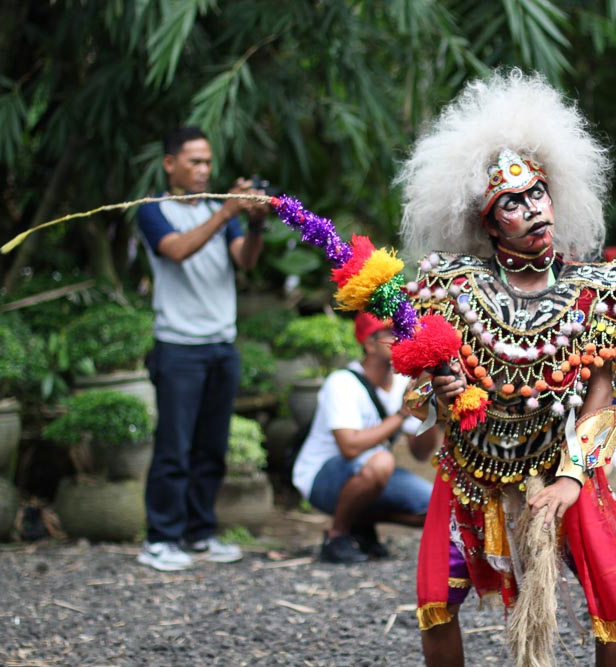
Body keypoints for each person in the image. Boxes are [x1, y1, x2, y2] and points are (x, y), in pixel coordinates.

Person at [396, 70, 616, 666]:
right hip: (474, 468)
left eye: (538, 194)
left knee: (614, 599)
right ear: (486, 221)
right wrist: (445, 389)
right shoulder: (451, 289)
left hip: (566, 464)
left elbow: (602, 401)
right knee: (433, 599)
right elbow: (424, 391)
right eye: (512, 203)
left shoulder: (597, 289)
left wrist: (571, 480)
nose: (532, 209)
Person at [135, 126, 270, 571]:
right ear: (169, 163)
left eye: (208, 162)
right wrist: (225, 210)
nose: (203, 170)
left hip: (221, 345)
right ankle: (161, 538)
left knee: (212, 446)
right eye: (194, 161)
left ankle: (199, 534)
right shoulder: (152, 210)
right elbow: (176, 251)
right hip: (178, 347)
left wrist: (254, 222)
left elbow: (244, 261)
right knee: (174, 445)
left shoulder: (221, 210)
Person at [291, 312, 440, 564]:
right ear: (370, 344)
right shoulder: (342, 383)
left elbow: (421, 453)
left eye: (404, 333)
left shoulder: (403, 383)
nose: (402, 339)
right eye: (392, 334)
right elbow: (349, 447)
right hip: (322, 478)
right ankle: (336, 536)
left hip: (372, 473)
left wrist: (428, 411)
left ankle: (360, 524)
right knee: (381, 462)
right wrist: (402, 413)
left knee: (438, 507)